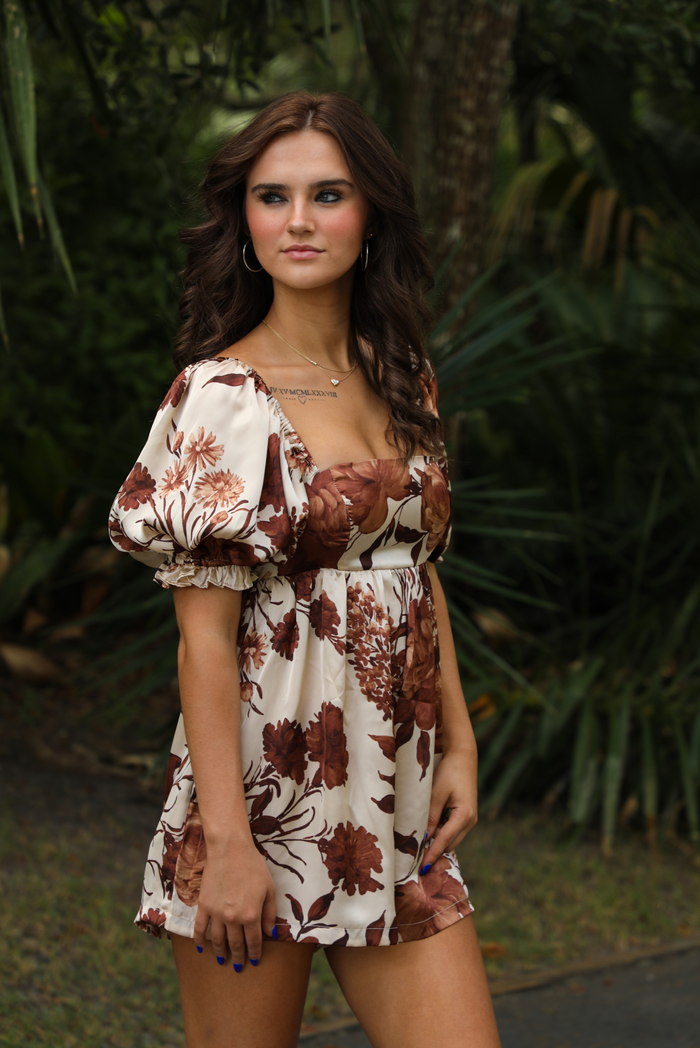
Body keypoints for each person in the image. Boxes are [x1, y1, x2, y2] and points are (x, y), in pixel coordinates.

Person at [109, 90, 500, 1048]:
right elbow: (202, 646)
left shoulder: (402, 370)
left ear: (371, 218)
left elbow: (415, 569)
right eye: (272, 196)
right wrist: (233, 848)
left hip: (392, 800)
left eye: (328, 194)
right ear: (244, 222)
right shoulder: (221, 396)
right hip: (263, 796)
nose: (298, 220)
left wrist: (458, 741)